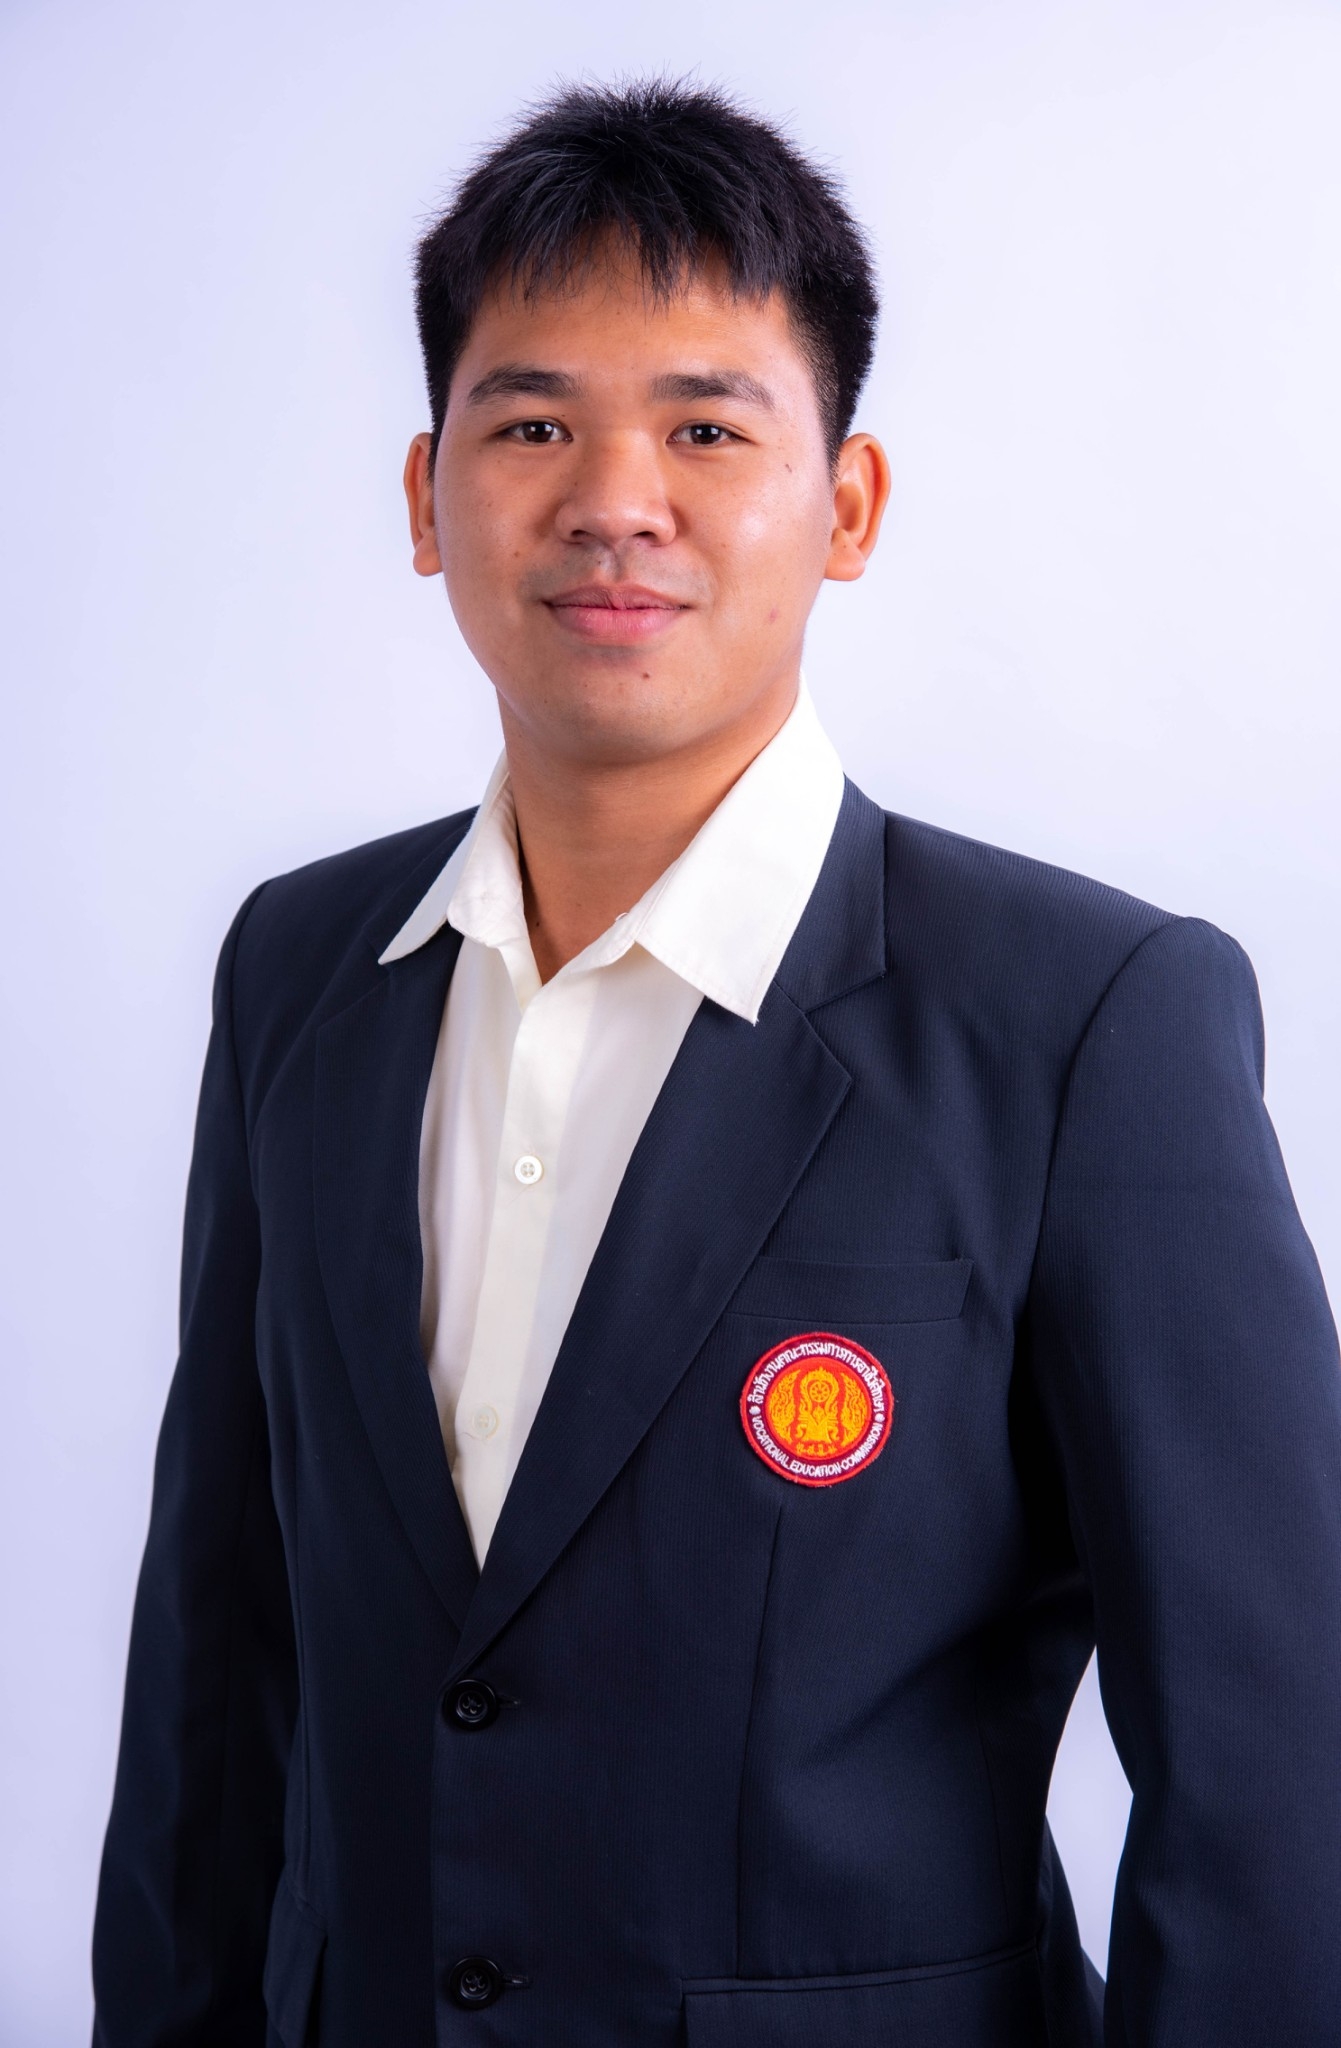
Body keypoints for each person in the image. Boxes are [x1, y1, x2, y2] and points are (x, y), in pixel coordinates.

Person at [91, 79, 1341, 2048]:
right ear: (425, 497)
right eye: (531, 424)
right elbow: (217, 1648)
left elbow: (1276, 1761)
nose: (614, 500)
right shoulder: (300, 969)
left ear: (844, 506)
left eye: (703, 426)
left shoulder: (1084, 1018)